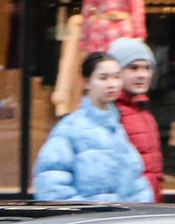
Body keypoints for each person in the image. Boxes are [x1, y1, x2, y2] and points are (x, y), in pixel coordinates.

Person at [31, 51, 152, 203]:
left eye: (117, 77)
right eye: (103, 78)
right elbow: (50, 183)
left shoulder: (117, 129)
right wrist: (84, 214)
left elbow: (136, 182)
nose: (112, 84)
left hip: (120, 223)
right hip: (87, 223)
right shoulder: (70, 128)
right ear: (87, 81)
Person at [108, 36, 163, 194]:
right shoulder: (109, 112)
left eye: (147, 68)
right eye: (133, 68)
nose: (142, 75)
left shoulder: (143, 110)